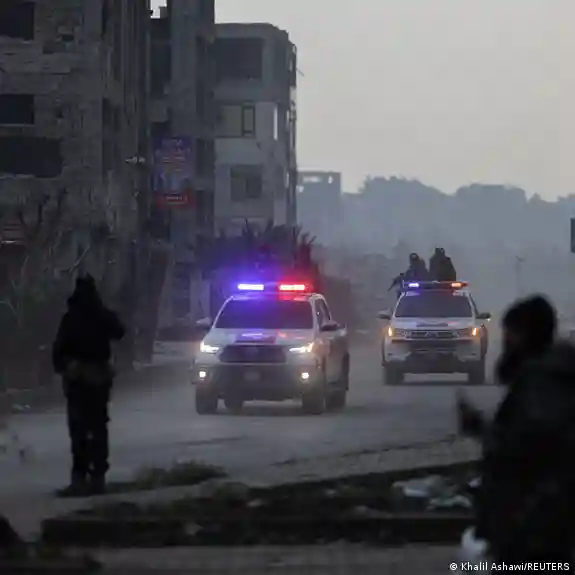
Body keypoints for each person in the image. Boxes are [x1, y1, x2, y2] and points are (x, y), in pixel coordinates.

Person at [458, 295, 575, 568]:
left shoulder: (543, 384)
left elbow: (524, 454)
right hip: (534, 531)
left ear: (524, 335)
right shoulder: (544, 380)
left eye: (510, 334)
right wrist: (480, 428)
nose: (505, 342)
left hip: (533, 534)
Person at [52, 275, 125, 496]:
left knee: (80, 431)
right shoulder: (99, 315)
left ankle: (81, 478)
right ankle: (96, 478)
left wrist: (67, 366)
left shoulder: (71, 318)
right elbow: (120, 332)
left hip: (79, 381)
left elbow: (58, 351)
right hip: (96, 380)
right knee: (97, 429)